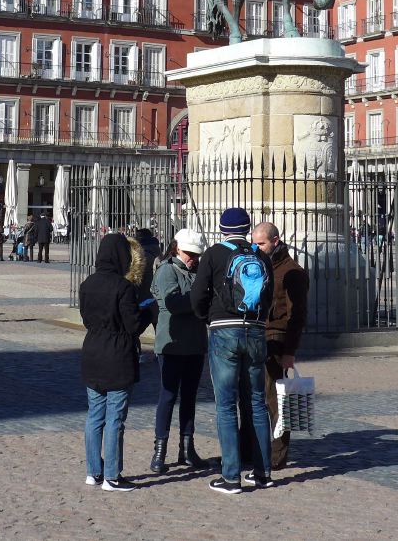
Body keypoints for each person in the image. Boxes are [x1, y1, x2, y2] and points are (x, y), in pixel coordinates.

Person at [192, 207, 275, 495]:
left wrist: (208, 318)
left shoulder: (214, 253)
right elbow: (270, 294)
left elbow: (197, 295)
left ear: (222, 228)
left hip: (224, 329)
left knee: (226, 404)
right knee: (256, 401)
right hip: (255, 330)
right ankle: (263, 472)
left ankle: (230, 476)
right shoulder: (260, 255)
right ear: (248, 228)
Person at [80, 232, 151, 492]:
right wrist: (145, 311)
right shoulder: (124, 287)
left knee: (94, 415)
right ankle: (112, 475)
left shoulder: (87, 283)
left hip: (92, 352)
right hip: (117, 355)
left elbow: (87, 319)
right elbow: (133, 326)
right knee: (115, 418)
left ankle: (93, 471)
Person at [150, 228, 209, 475]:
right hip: (171, 344)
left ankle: (187, 447)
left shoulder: (198, 272)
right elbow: (174, 304)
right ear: (177, 248)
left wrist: (198, 302)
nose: (192, 258)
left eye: (196, 255)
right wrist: (199, 301)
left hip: (195, 344)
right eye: (188, 253)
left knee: (189, 398)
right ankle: (160, 449)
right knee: (168, 397)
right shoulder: (167, 270)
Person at [253, 221, 308, 471]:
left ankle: (277, 456)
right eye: (254, 242)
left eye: (261, 243)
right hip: (255, 339)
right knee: (253, 399)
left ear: (275, 241)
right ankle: (251, 450)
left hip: (276, 341)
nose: (256, 247)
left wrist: (289, 352)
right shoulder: (257, 265)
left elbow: (298, 316)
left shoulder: (291, 271)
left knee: (277, 401)